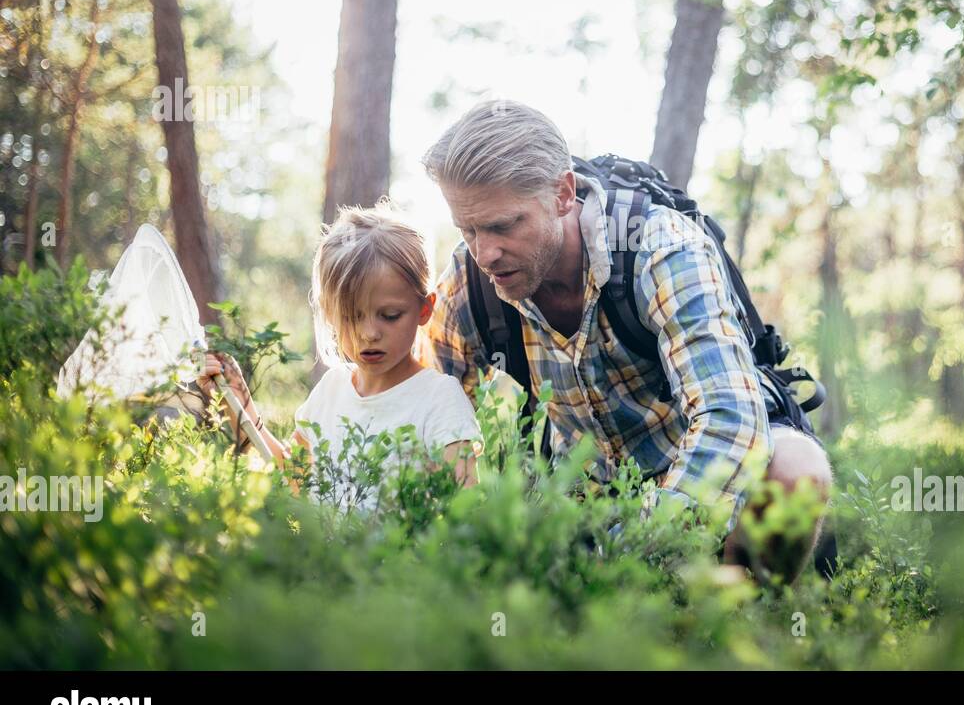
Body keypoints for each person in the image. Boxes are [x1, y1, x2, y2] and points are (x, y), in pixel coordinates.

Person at [420, 100, 833, 582]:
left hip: (701, 481)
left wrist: (645, 546)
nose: (485, 252)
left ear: (562, 194)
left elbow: (729, 417)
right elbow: (428, 419)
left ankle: (742, 626)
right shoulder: (468, 282)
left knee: (797, 468)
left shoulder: (662, 246)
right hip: (583, 499)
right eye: (467, 229)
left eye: (504, 226)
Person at [199, 203, 482, 502]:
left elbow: (465, 511)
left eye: (389, 315)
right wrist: (240, 405)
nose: (369, 333)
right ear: (330, 314)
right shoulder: (330, 391)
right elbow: (294, 480)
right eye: (351, 316)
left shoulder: (439, 400)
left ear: (424, 309)